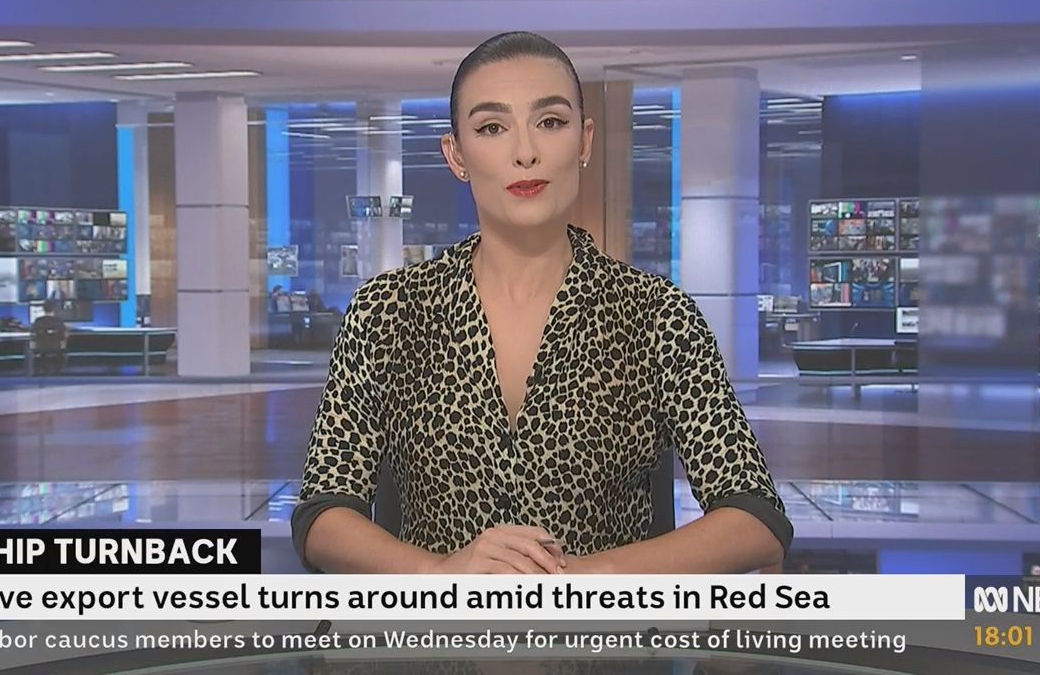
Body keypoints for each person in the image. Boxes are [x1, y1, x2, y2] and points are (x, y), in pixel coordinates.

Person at [292, 32, 790, 576]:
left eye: (550, 122)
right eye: (492, 127)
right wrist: (438, 574)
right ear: (456, 155)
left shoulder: (655, 314)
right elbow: (322, 513)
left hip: (605, 627)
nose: (525, 151)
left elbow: (756, 520)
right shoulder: (388, 310)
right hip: (438, 626)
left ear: (584, 140)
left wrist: (585, 579)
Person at [30, 301, 69, 375]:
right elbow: (65, 335)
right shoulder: (58, 321)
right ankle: (58, 371)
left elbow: (33, 335)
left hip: (41, 348)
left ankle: (38, 371)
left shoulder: (38, 321)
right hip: (56, 347)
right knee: (63, 350)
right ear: (53, 309)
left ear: (43, 309)